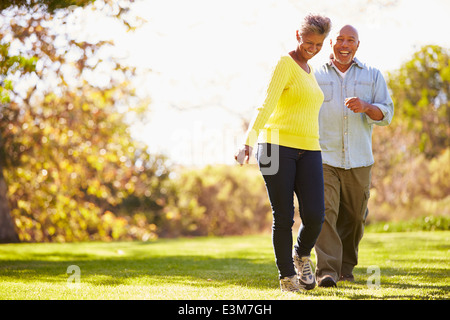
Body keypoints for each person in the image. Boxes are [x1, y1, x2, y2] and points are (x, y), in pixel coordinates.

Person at [234, 14, 331, 292]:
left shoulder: (310, 72)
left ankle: (301, 256)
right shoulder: (284, 63)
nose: (313, 48)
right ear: (298, 36)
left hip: (310, 148)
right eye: (309, 42)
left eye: (319, 44)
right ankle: (287, 277)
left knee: (315, 215)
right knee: (284, 216)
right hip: (275, 147)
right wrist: (248, 142)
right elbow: (265, 104)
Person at [314, 25, 394, 287]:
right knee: (325, 212)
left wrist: (366, 107)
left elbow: (387, 114)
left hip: (360, 160)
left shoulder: (372, 75)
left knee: (355, 217)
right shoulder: (315, 75)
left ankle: (346, 267)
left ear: (358, 45)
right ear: (331, 44)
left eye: (350, 40)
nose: (344, 44)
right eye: (339, 40)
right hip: (324, 158)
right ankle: (327, 271)